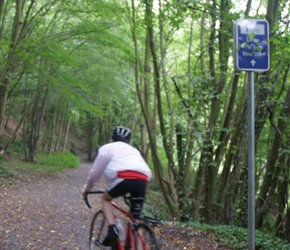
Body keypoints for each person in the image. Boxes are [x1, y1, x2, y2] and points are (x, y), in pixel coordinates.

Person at [81, 126, 152, 246]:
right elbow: (146, 172)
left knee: (106, 199)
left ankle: (112, 228)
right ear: (128, 141)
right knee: (135, 220)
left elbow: (94, 174)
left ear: (112, 139)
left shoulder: (107, 148)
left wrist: (86, 189)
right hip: (143, 179)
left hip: (123, 177)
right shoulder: (134, 151)